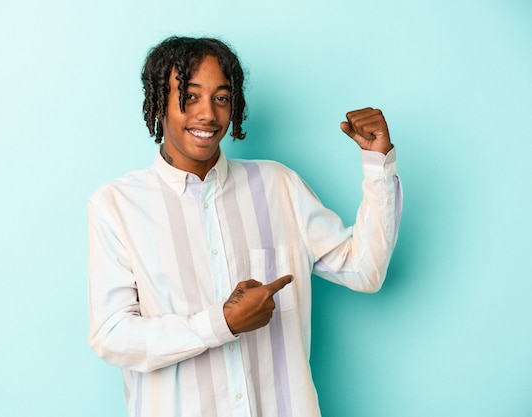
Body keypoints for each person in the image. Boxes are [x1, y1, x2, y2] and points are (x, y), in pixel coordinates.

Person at [88, 36, 402, 417]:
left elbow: (364, 271)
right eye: (189, 96)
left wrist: (377, 164)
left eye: (221, 98)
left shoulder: (278, 185)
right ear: (158, 103)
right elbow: (113, 337)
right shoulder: (117, 205)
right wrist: (220, 323)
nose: (207, 114)